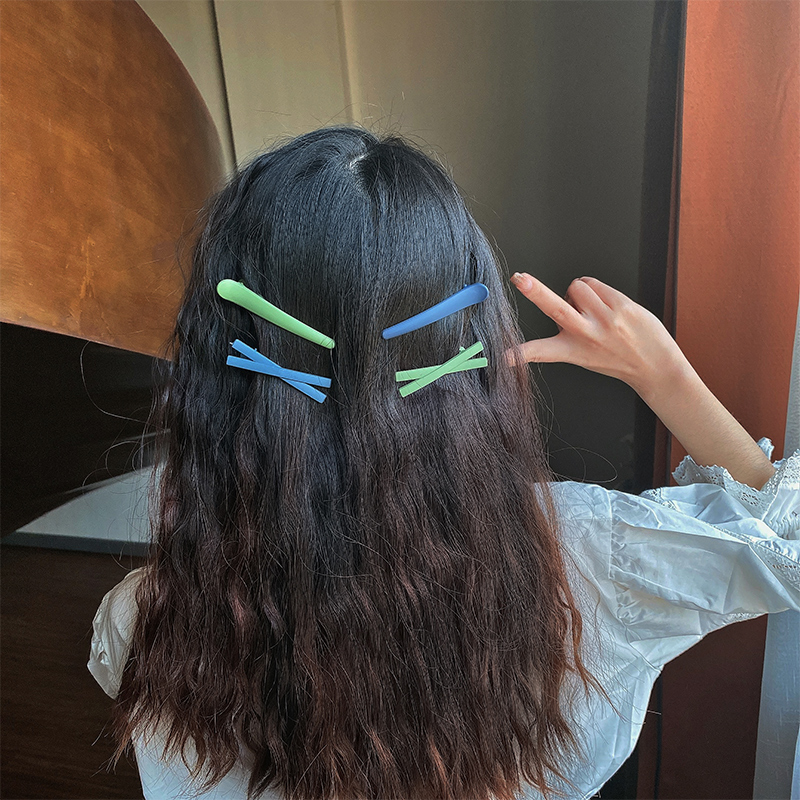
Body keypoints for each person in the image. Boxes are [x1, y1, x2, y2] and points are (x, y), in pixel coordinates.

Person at [88, 125, 799, 800]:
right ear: (468, 345)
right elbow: (787, 548)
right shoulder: (584, 562)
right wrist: (664, 376)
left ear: (216, 375)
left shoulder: (150, 624)